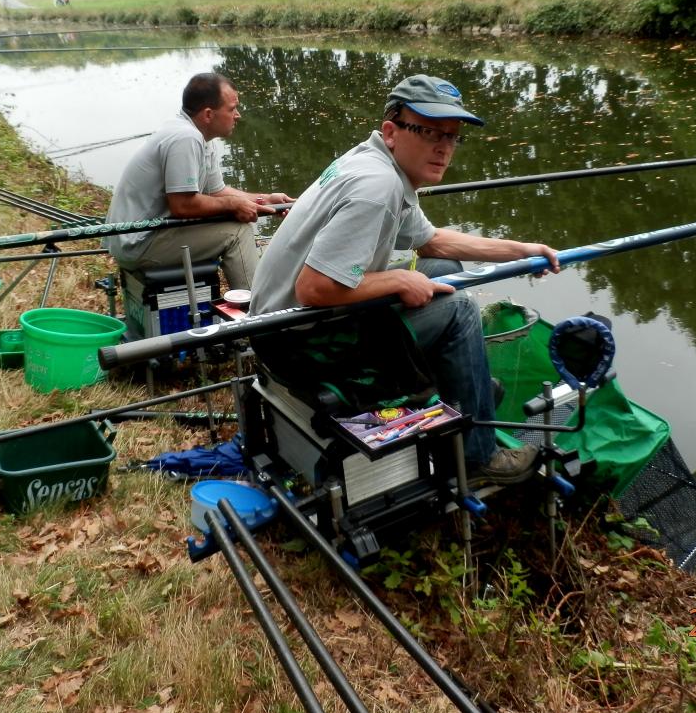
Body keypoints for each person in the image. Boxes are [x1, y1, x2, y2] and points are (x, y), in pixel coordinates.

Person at [248, 74, 560, 486]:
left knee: (445, 274)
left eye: (451, 136)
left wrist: (521, 249)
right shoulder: (376, 186)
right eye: (429, 132)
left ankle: (461, 388)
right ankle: (478, 457)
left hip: (289, 320)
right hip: (297, 343)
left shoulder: (378, 164)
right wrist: (397, 279)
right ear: (392, 132)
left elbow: (432, 243)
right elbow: (314, 288)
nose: (444, 147)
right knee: (462, 311)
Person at [105, 72, 292, 291]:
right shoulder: (185, 138)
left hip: (149, 235)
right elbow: (183, 205)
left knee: (233, 222)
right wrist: (233, 206)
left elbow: (217, 192)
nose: (238, 115)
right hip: (138, 242)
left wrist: (266, 200)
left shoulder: (200, 136)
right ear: (208, 114)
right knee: (236, 232)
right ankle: (256, 313)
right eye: (231, 109)